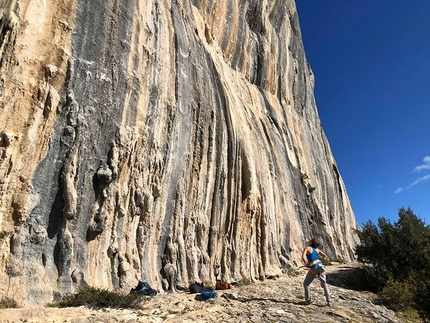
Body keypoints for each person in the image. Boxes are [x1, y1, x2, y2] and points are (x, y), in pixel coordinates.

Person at [300, 238, 331, 306]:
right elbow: (325, 256)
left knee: (306, 283)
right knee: (324, 284)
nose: (308, 240)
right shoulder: (317, 249)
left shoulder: (307, 248)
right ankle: (329, 301)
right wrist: (319, 261)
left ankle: (307, 300)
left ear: (311, 242)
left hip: (313, 267)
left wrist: (307, 264)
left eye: (309, 240)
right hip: (321, 266)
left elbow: (302, 257)